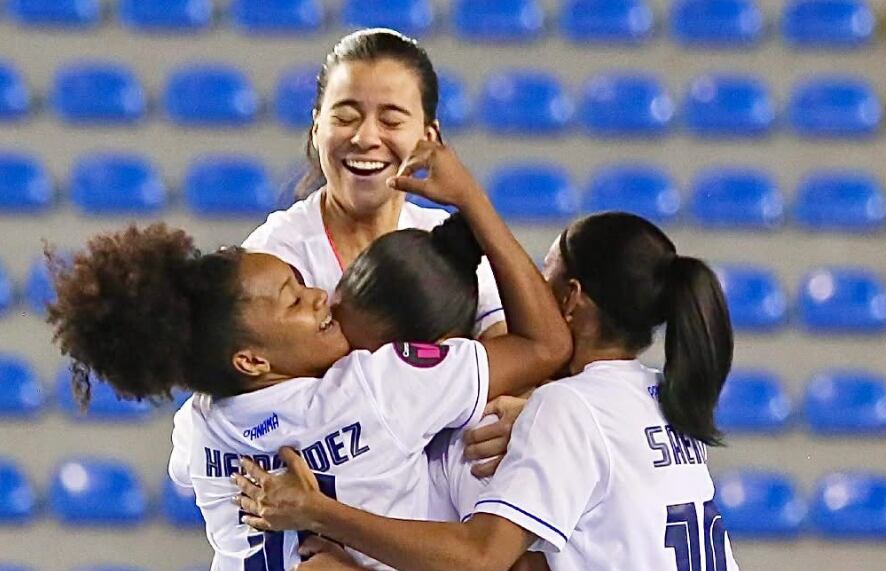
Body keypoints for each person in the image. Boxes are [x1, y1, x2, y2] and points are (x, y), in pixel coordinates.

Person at [46, 142, 571, 571]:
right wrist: (473, 205)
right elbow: (548, 344)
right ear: (250, 360)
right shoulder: (377, 387)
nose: (321, 295)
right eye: (294, 299)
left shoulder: (198, 428)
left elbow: (190, 466)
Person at [234, 142, 739, 571]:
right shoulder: (657, 395)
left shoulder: (567, 408)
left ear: (571, 299)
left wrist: (319, 512)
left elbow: (481, 559)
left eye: (545, 275)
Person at [243, 27, 506, 341]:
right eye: (345, 117)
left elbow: (529, 355)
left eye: (391, 121)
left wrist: (473, 203)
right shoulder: (273, 256)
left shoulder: (454, 247)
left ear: (428, 138)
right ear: (316, 129)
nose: (365, 138)